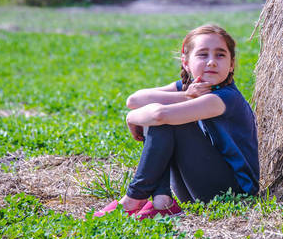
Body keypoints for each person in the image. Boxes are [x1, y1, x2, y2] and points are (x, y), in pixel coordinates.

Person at [94, 24, 259, 219]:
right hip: (193, 187)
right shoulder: (192, 88)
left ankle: (134, 197)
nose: (212, 62)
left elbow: (159, 115)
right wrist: (185, 96)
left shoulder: (225, 98)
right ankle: (162, 201)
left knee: (165, 118)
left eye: (220, 55)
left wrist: (131, 117)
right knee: (163, 115)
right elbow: (134, 100)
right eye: (203, 54)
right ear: (186, 62)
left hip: (232, 192)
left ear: (231, 64)